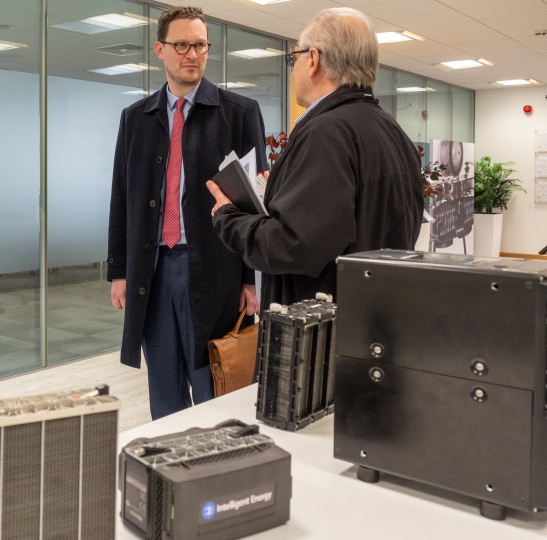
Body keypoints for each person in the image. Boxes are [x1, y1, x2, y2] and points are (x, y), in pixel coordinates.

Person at [107, 6, 266, 420]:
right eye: (181, 45)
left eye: (199, 45)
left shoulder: (239, 113)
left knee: (214, 386)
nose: (191, 54)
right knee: (165, 393)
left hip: (214, 271)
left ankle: (218, 475)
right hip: (153, 272)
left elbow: (254, 207)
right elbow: (121, 197)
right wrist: (120, 271)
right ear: (160, 50)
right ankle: (172, 474)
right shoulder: (135, 119)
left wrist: (251, 278)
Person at [207, 7, 422, 306]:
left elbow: (293, 246)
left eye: (293, 57)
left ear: (313, 60)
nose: (292, 67)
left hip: (322, 333)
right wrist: (282, 195)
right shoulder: (391, 130)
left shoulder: (325, 133)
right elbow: (350, 220)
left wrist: (228, 217)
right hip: (373, 320)